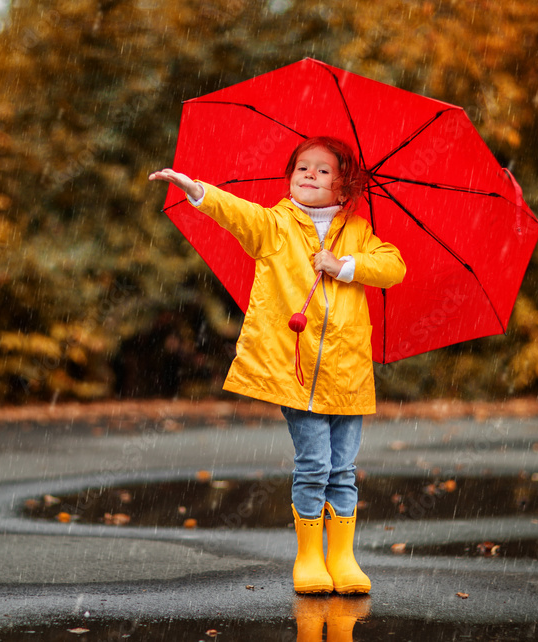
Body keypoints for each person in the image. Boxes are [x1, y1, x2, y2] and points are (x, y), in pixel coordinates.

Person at [149, 136, 406, 594]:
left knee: (344, 469)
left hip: (347, 374)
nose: (309, 174)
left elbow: (393, 267)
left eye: (323, 170)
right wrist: (195, 189)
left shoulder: (359, 233)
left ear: (345, 187)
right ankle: (309, 557)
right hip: (296, 372)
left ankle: (342, 557)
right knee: (315, 464)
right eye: (302, 167)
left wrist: (343, 265)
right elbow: (236, 212)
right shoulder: (275, 225)